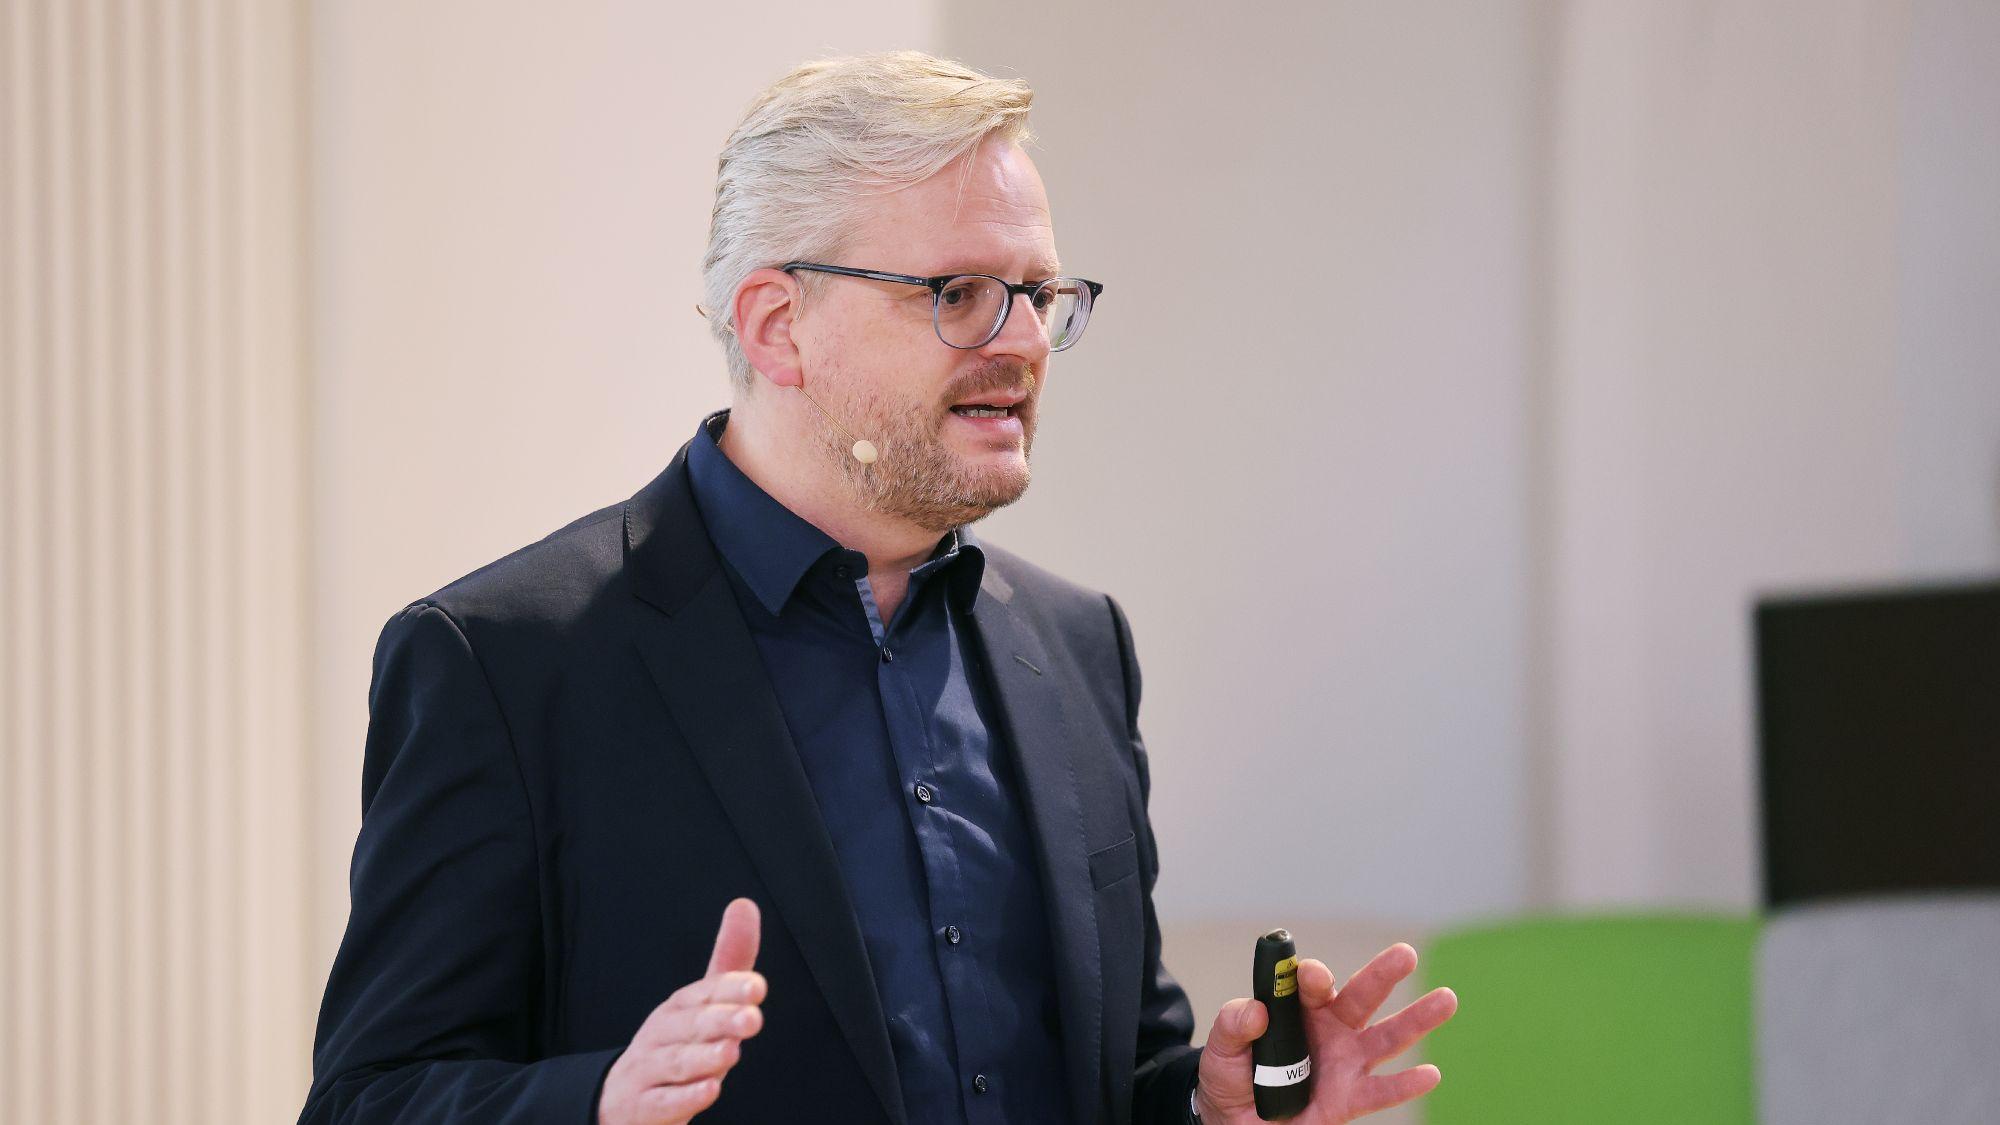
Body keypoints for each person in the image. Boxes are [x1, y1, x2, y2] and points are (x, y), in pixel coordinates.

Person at [300, 50, 1456, 1125]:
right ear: (776, 326)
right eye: (958, 292)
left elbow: (1110, 1069)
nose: (1022, 341)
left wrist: (1210, 1105)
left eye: (1037, 293)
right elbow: (369, 1097)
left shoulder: (1077, 647)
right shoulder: (504, 661)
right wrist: (600, 1099)